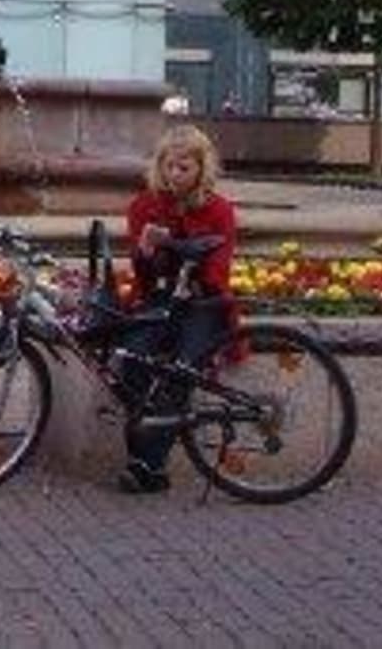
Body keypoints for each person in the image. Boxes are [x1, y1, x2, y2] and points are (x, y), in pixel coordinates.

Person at [114, 124, 240, 494]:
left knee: (182, 370)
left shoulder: (219, 210)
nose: (175, 174)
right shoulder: (145, 205)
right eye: (169, 166)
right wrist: (146, 254)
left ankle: (146, 465)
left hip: (203, 302)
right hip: (160, 298)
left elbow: (218, 270)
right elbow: (142, 274)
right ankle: (143, 461)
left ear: (201, 168)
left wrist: (185, 251)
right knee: (132, 359)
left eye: (184, 167)